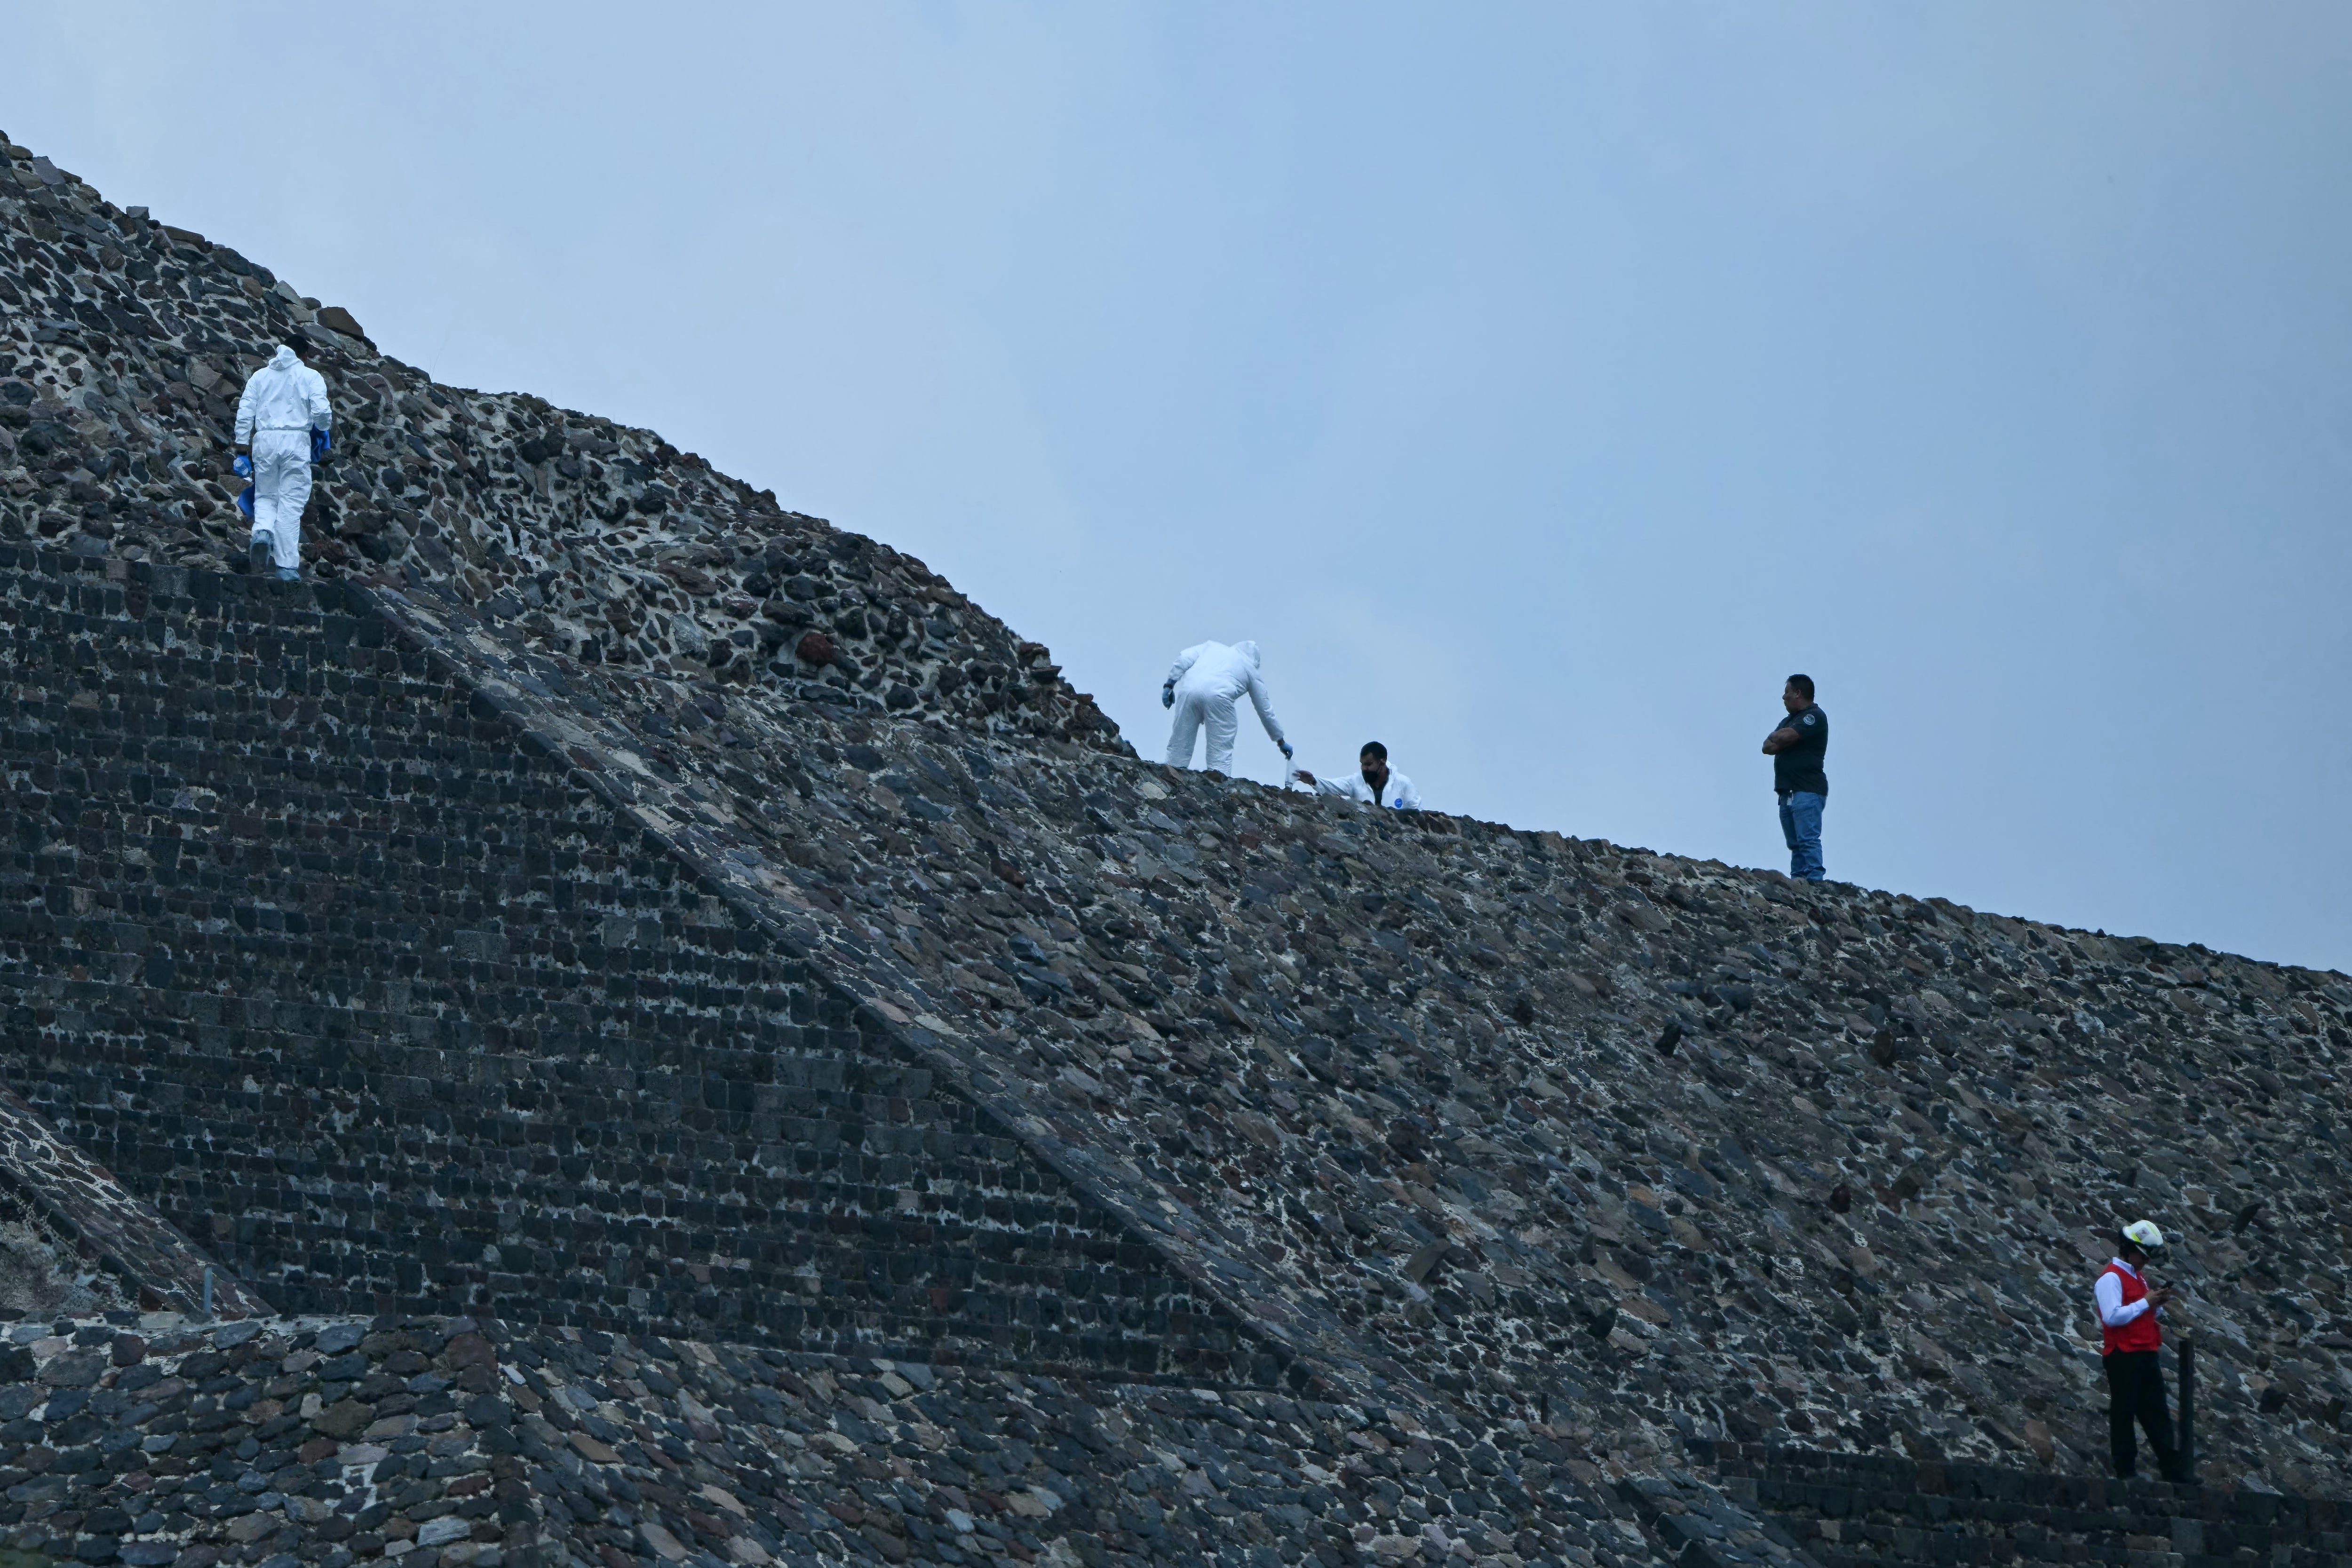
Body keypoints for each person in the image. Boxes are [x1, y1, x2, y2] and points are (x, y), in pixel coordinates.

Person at [2096, 1220, 2191, 1483]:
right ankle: (2126, 1471)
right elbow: (2112, 1317)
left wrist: (2155, 1304)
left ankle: (2173, 1471)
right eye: (2143, 1255)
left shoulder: (2139, 1277)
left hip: (2146, 1352)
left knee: (2157, 1413)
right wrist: (2145, 1302)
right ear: (2128, 1249)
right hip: (2123, 1355)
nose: (2145, 1261)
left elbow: (2141, 1311)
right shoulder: (2111, 1278)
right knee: (2124, 1413)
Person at [232, 338, 332, 581]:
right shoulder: (311, 376)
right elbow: (321, 412)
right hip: (296, 441)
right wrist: (322, 428)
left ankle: (263, 532)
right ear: (304, 355)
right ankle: (286, 566)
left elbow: (245, 412)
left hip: (264, 441)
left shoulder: (260, 377)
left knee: (266, 495)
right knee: (291, 503)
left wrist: (242, 449)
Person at [1162, 640, 1292, 776]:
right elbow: (1265, 710)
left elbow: (1184, 658)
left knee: (1180, 741)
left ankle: (1170, 778)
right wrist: (1280, 740)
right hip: (1219, 698)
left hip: (1189, 691)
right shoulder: (1251, 669)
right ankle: (1218, 786)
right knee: (1220, 752)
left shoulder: (1210, 647)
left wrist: (1169, 685)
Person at [1760, 673, 1828, 880]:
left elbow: (1786, 736)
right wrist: (1781, 737)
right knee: (1795, 843)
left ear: (1798, 693)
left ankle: (1815, 883)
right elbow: (1767, 747)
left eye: (1787, 692)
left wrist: (1783, 736)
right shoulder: (1788, 720)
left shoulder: (1814, 716)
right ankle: (1798, 881)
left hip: (1807, 790)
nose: (1783, 697)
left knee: (1808, 838)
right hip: (1787, 792)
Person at [1293, 741, 1421, 810]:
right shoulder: (1356, 781)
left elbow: (1418, 813)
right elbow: (1335, 785)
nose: (1364, 769)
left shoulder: (1403, 784)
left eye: (1369, 764)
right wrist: (1313, 780)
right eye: (1362, 764)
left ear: (1382, 762)